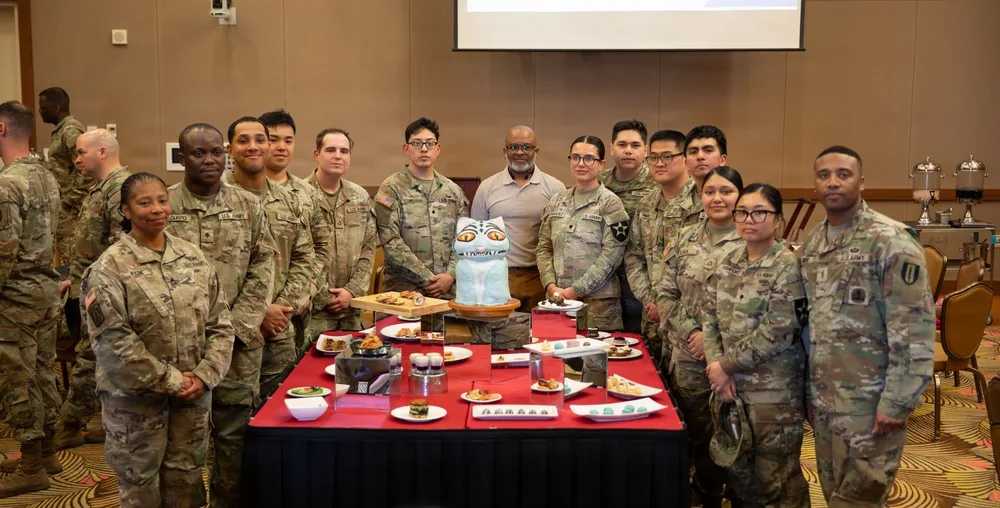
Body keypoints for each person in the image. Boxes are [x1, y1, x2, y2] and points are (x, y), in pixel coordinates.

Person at [83, 172, 235, 507]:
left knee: (188, 484)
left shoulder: (192, 256)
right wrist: (174, 380)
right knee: (141, 491)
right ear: (125, 210)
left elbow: (221, 322)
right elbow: (114, 343)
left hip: (192, 400)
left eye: (162, 200)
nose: (157, 209)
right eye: (144, 202)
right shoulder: (109, 268)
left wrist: (207, 374)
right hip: (136, 406)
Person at [800, 146, 934, 506]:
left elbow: (916, 331)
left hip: (871, 406)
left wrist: (898, 401)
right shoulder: (814, 243)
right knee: (834, 496)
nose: (833, 182)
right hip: (827, 404)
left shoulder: (890, 241)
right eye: (824, 175)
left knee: (859, 500)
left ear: (862, 181)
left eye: (843, 174)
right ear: (814, 184)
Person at [165, 123, 276, 508]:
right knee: (184, 443)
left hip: (240, 347)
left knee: (234, 438)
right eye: (198, 153)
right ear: (182, 158)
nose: (209, 160)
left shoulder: (248, 205)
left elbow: (264, 267)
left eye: (216, 152)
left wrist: (237, 329)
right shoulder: (164, 207)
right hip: (181, 350)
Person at [701, 183, 810, 506]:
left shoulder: (787, 267)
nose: (750, 219)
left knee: (778, 481)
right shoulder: (726, 260)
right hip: (729, 388)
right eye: (743, 212)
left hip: (773, 393)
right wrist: (716, 367)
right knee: (739, 474)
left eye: (760, 212)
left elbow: (778, 331)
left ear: (778, 219)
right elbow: (709, 319)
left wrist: (725, 366)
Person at [656, 166, 744, 508]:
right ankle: (706, 496)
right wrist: (691, 332)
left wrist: (713, 344)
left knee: (737, 437)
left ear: (739, 196)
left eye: (726, 191)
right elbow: (665, 294)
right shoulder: (683, 237)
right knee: (698, 435)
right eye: (710, 192)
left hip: (736, 362)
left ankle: (736, 497)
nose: (717, 198)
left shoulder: (752, 237)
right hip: (689, 358)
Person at [223, 117, 314, 399]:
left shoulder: (289, 199)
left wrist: (283, 307)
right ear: (229, 150)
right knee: (231, 423)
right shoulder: (217, 199)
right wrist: (258, 313)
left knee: (281, 412)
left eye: (260, 140)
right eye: (243, 141)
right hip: (232, 332)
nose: (253, 147)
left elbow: (304, 258)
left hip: (280, 329)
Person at [52, 129, 132, 450]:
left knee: (89, 354)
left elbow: (121, 248)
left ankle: (69, 425)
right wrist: (75, 276)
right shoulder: (101, 188)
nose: (77, 159)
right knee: (105, 358)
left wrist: (101, 287)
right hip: (88, 284)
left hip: (106, 291)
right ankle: (117, 423)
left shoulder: (120, 189)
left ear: (102, 152)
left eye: (81, 152)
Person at [0, 101, 63, 498]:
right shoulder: (46, 175)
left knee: (18, 380)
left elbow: (4, 251)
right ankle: (48, 451)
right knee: (43, 370)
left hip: (15, 298)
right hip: (45, 290)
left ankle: (33, 465)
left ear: (1, 130)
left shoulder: (7, 184)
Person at [536, 135, 630, 331]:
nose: (581, 164)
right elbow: (544, 248)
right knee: (557, 358)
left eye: (589, 158)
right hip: (558, 302)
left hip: (598, 307)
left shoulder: (610, 204)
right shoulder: (557, 200)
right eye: (575, 157)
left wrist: (575, 291)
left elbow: (611, 258)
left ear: (601, 164)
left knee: (597, 360)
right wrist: (551, 286)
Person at [624, 129, 699, 369]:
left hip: (690, 324)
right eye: (653, 157)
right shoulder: (646, 204)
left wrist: (667, 306)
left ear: (685, 158)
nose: (659, 163)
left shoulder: (702, 203)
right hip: (652, 319)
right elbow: (634, 256)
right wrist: (649, 300)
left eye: (667, 156)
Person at [471, 125, 564, 312]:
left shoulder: (556, 189)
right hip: (498, 276)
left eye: (526, 147)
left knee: (539, 336)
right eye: (513, 147)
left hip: (540, 278)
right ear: (505, 151)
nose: (520, 152)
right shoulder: (487, 188)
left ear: (536, 151)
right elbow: (476, 238)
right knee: (500, 333)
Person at [374, 117, 468, 299]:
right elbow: (391, 242)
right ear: (406, 149)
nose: (424, 149)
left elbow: (463, 238)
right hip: (404, 292)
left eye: (429, 144)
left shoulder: (453, 191)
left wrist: (450, 275)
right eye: (416, 143)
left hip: (447, 293)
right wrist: (429, 279)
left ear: (438, 149)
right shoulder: (392, 188)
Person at [259, 109, 328, 352]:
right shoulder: (236, 193)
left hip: (296, 309)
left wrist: (305, 290)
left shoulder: (308, 193)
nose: (281, 147)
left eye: (288, 141)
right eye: (273, 139)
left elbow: (321, 247)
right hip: (249, 311)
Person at [304, 128, 377, 340]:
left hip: (350, 310)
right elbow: (294, 256)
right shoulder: (299, 195)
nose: (338, 156)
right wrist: (321, 295)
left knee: (353, 368)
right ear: (317, 154)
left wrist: (352, 291)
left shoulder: (360, 197)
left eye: (344, 151)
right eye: (331, 150)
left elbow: (369, 249)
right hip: (311, 311)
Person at [599, 120, 656, 334]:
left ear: (646, 150)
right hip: (606, 279)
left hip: (645, 278)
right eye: (622, 145)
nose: (628, 151)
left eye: (635, 145)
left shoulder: (658, 182)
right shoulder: (600, 183)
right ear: (612, 147)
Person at [38, 87, 91, 265]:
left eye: (43, 107)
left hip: (72, 211)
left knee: (73, 262)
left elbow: (87, 172)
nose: (40, 112)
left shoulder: (70, 131)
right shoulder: (61, 131)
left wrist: (69, 202)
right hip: (64, 206)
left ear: (56, 108)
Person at [684, 125, 728, 196]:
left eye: (708, 150)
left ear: (722, 160)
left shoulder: (736, 201)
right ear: (686, 163)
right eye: (693, 152)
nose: (700, 156)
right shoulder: (676, 203)